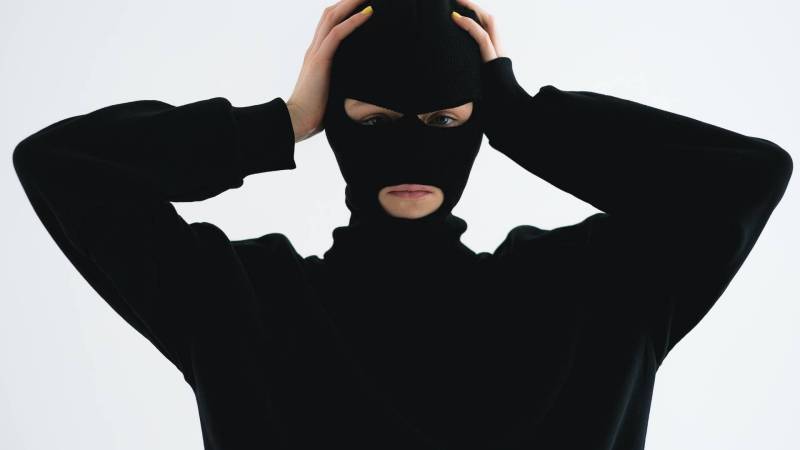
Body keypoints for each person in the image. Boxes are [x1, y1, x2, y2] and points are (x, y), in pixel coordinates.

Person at [12, 0, 792, 449]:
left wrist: (522, 118)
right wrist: (277, 122)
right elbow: (59, 165)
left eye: (446, 120)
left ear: (479, 122)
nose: (414, 148)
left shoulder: (585, 293)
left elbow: (748, 176)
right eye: (375, 121)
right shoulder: (248, 303)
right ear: (335, 122)